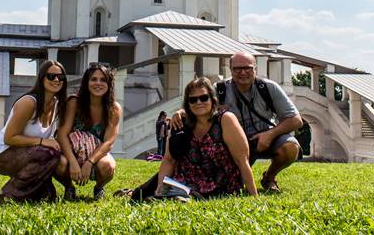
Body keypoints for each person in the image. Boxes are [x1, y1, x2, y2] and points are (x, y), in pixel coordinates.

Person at [172, 51, 303, 193]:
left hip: (266, 137)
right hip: (235, 143)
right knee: (234, 186)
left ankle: (269, 178)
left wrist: (270, 135)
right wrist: (180, 112)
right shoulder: (220, 89)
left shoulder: (268, 87)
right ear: (231, 69)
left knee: (290, 148)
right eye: (237, 69)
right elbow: (201, 102)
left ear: (255, 69)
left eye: (247, 68)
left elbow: (296, 120)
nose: (243, 72)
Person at [124, 77, 258, 200]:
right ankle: (134, 193)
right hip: (184, 179)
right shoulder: (181, 123)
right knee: (139, 195)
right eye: (193, 100)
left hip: (219, 184)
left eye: (204, 98)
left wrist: (254, 197)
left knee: (177, 199)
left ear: (212, 99)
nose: (198, 102)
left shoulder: (225, 120)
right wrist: (160, 187)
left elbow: (242, 161)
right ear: (187, 104)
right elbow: (169, 160)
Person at [0, 60, 68, 202]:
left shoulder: (56, 104)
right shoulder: (29, 102)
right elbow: (10, 138)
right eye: (51, 76)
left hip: (29, 154)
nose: (57, 80)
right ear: (42, 78)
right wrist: (42, 141)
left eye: (61, 77)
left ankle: (31, 190)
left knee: (49, 197)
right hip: (3, 154)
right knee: (48, 152)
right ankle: (9, 193)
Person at [57, 63, 121, 201]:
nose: (98, 83)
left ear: (109, 84)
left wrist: (89, 162)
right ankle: (69, 187)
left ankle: (99, 188)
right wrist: (73, 162)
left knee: (108, 166)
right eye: (93, 79)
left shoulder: (114, 109)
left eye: (103, 80)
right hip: (71, 153)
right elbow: (62, 134)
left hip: (96, 155)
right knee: (58, 162)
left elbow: (109, 142)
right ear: (86, 82)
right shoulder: (74, 102)